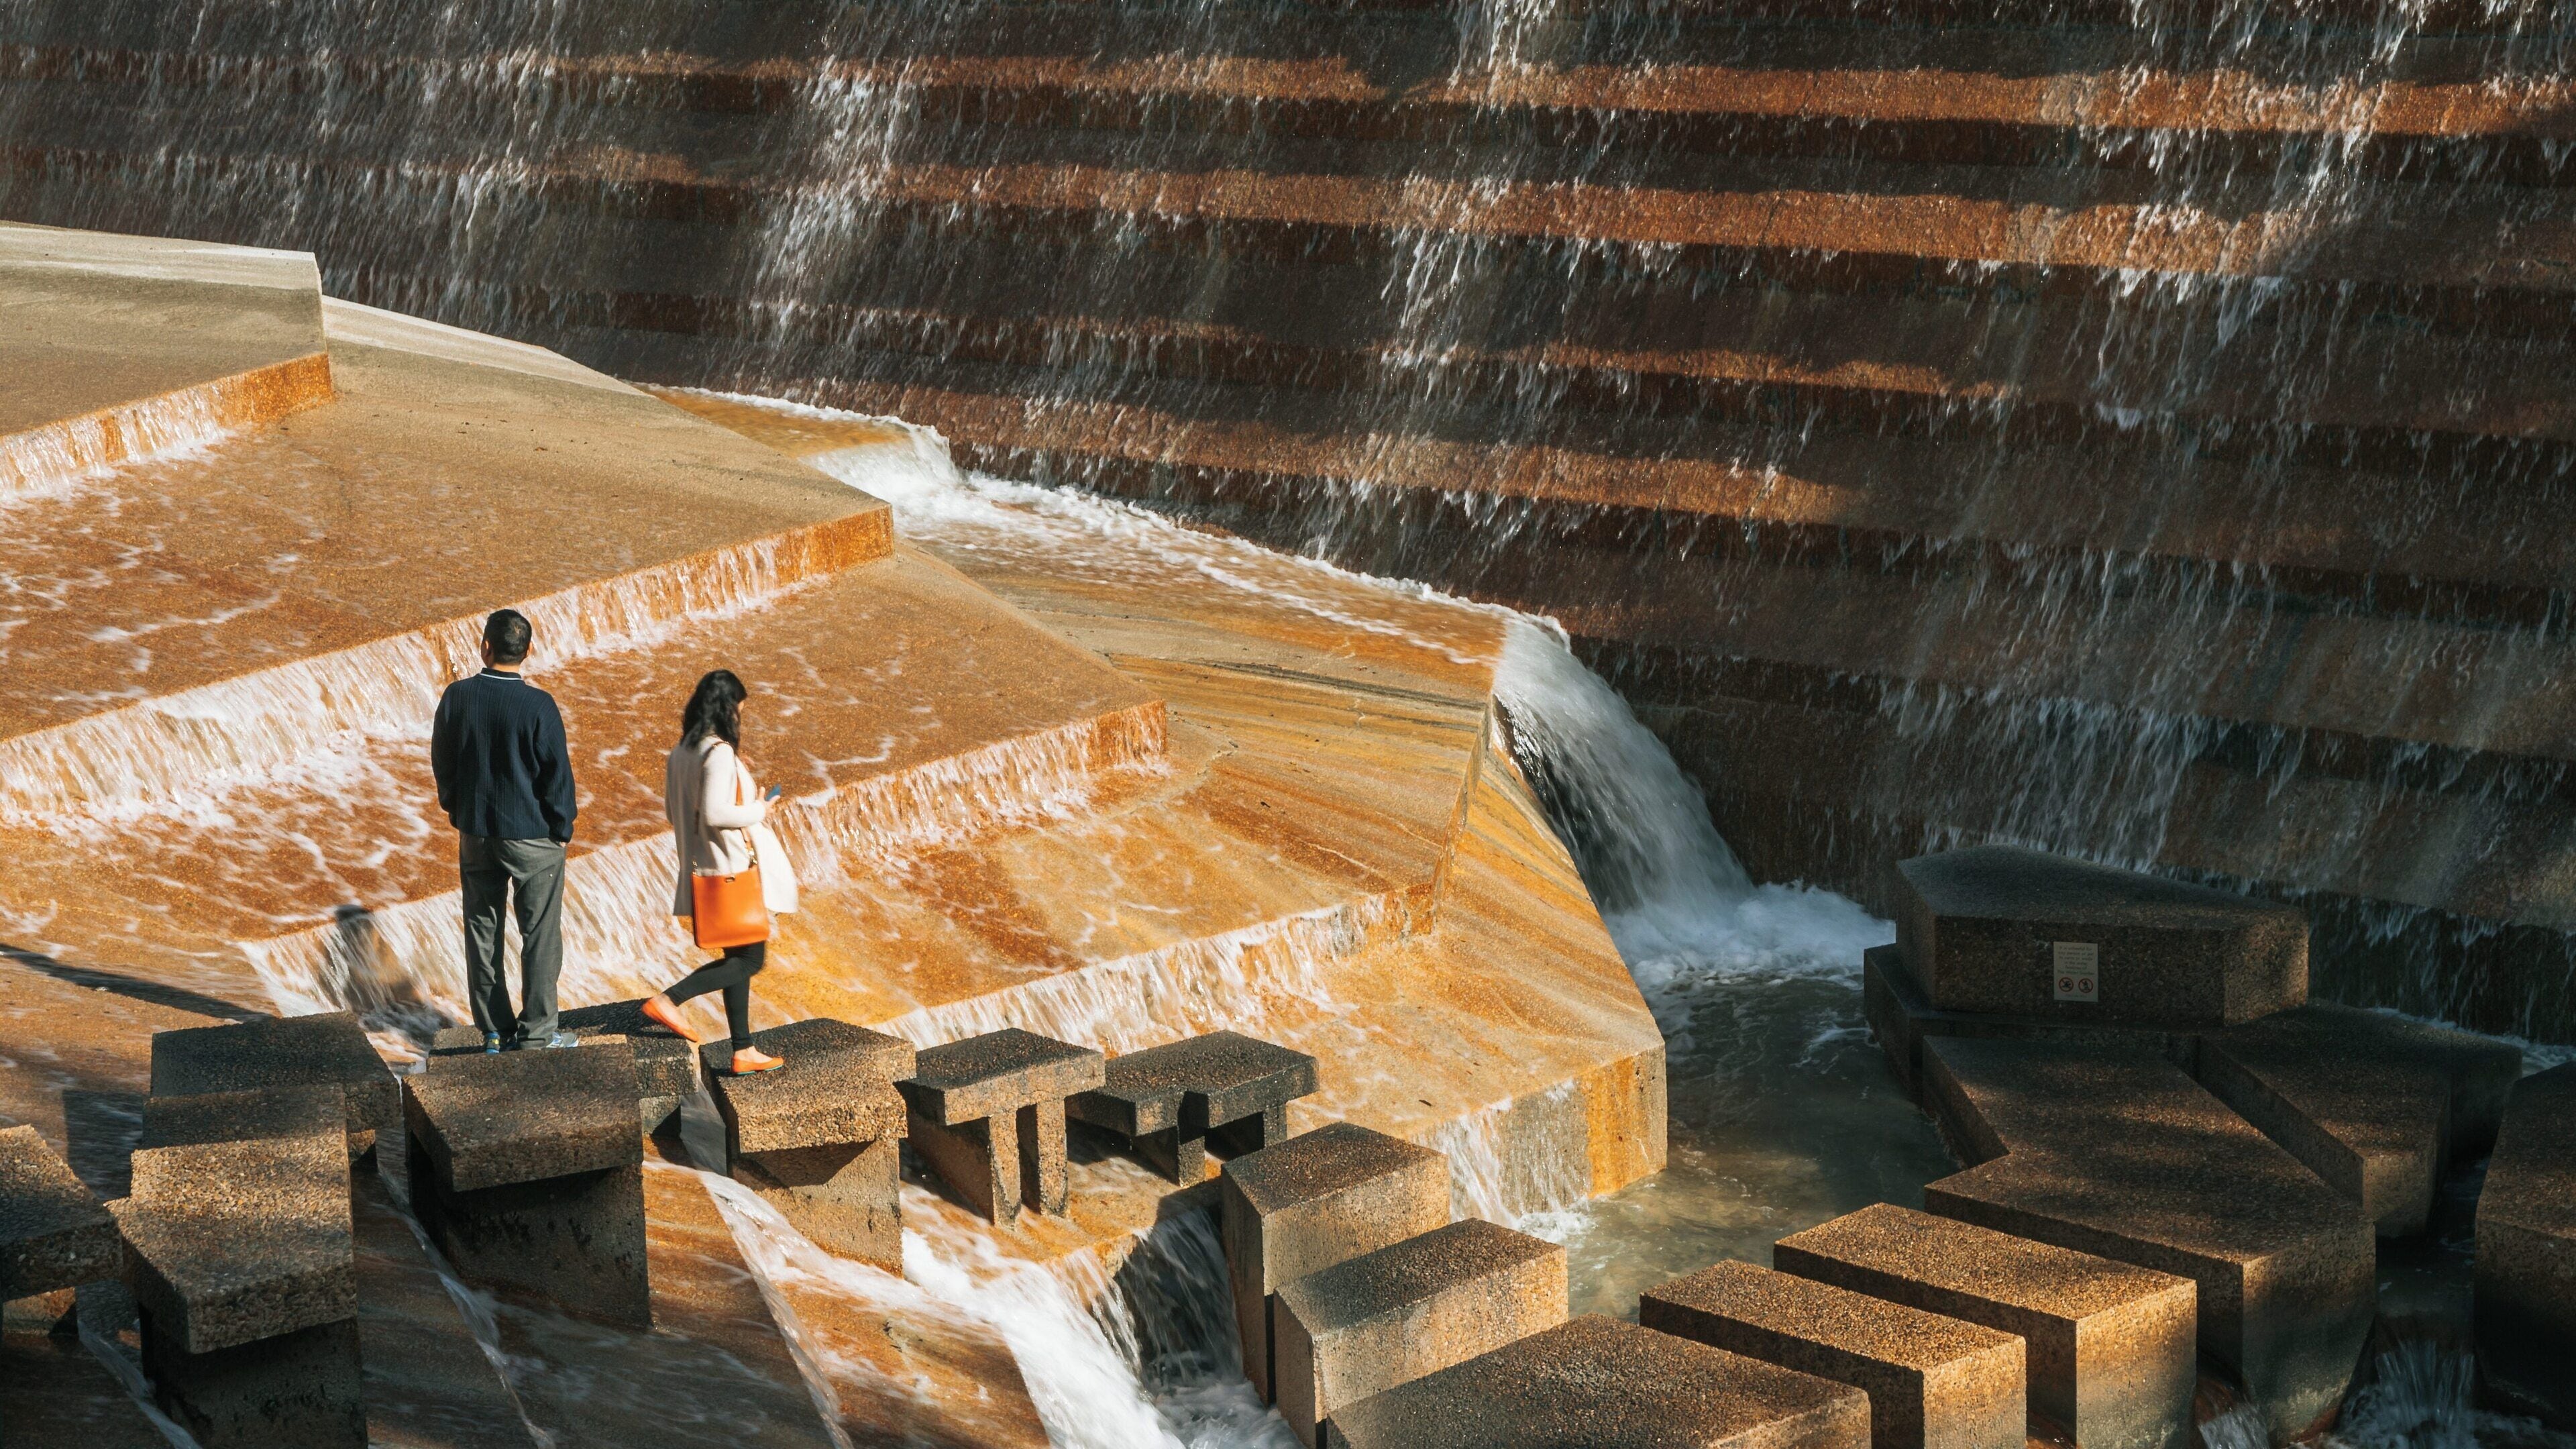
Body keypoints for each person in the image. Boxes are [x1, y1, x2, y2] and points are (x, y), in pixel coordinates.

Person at [429, 608, 579, 1053]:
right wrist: (562, 827)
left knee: (481, 930)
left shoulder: (457, 698)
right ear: (528, 651)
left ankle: (494, 1030)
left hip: (477, 833)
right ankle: (536, 1035)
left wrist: (458, 810)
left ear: (485, 647)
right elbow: (557, 776)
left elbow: (444, 763)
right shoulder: (539, 706)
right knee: (540, 937)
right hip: (533, 836)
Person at [641, 669, 797, 1074]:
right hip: (731, 871)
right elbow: (715, 812)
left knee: (737, 956)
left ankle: (743, 1050)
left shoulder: (681, 752)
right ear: (728, 710)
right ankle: (670, 999)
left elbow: (675, 813)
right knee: (750, 960)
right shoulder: (718, 752)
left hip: (702, 870)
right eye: (739, 712)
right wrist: (760, 809)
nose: (740, 721)